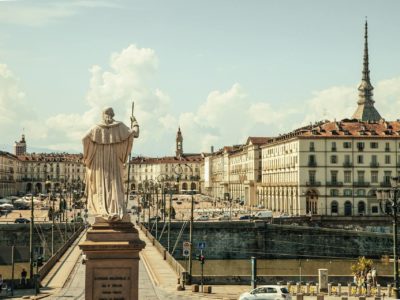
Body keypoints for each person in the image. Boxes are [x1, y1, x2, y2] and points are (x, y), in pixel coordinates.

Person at [83, 107, 139, 222]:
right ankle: (117, 210)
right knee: (115, 185)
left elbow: (84, 139)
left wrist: (89, 156)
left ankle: (103, 210)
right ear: (112, 115)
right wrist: (135, 122)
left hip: (99, 164)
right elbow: (135, 133)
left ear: (103, 115)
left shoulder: (96, 128)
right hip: (115, 162)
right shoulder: (120, 126)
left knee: (101, 188)